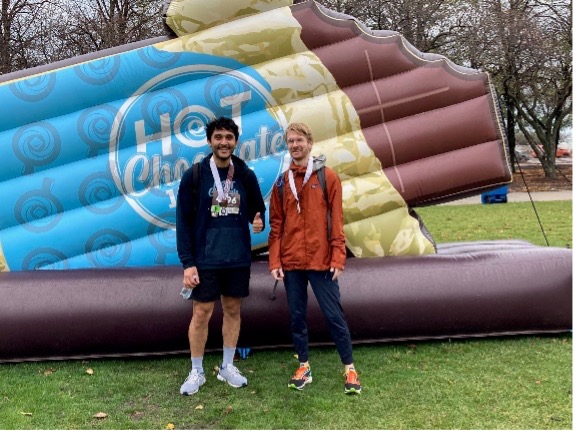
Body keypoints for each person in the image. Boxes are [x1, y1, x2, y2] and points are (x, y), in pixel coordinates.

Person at [268, 122, 361, 395]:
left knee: (334, 315)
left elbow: (337, 221)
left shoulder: (327, 177)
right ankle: (304, 365)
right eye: (290, 141)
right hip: (292, 263)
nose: (295, 145)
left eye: (299, 140)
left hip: (322, 261)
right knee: (297, 317)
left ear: (310, 143)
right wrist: (275, 262)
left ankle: (350, 368)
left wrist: (338, 257)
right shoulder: (282, 182)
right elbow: (276, 226)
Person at [176, 116, 265, 395]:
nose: (224, 142)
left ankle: (227, 366)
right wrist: (188, 263)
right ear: (210, 141)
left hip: (237, 257)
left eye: (229, 137)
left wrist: (258, 219)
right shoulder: (194, 175)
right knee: (201, 312)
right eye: (219, 137)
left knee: (233, 310)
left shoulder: (245, 175)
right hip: (205, 259)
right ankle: (197, 371)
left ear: (236, 142)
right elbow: (183, 222)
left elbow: (256, 210)